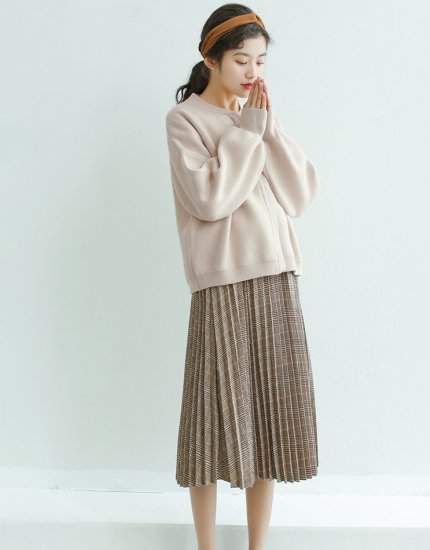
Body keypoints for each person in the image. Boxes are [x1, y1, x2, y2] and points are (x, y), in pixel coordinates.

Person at [165, 4, 320, 550]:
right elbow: (209, 201)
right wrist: (247, 134)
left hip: (277, 278)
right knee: (209, 424)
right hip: (222, 285)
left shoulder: (257, 116)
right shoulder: (185, 120)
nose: (253, 72)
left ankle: (258, 546)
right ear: (210, 59)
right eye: (240, 60)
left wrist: (266, 131)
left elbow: (298, 196)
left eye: (260, 60)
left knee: (270, 423)